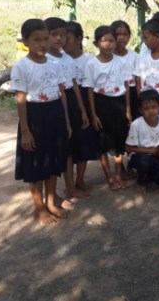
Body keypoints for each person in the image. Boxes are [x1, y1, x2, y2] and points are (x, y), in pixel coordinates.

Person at [11, 18, 71, 225]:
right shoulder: (21, 66)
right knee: (36, 164)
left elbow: (62, 94)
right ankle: (39, 209)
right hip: (35, 117)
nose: (43, 43)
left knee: (54, 162)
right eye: (37, 39)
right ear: (25, 41)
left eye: (45, 38)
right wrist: (25, 131)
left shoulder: (55, 64)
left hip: (55, 114)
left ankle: (51, 203)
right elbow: (21, 100)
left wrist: (66, 122)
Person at [44, 17, 89, 204]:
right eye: (54, 34)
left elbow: (74, 85)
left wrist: (82, 110)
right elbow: (59, 90)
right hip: (56, 103)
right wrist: (67, 120)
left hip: (72, 102)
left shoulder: (67, 58)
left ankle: (77, 184)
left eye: (63, 35)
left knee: (79, 143)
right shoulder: (46, 60)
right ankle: (69, 188)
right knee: (66, 149)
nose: (59, 39)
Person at [83, 25, 132, 191]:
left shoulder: (121, 62)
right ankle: (109, 177)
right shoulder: (91, 63)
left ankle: (118, 175)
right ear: (96, 43)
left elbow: (126, 86)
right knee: (102, 142)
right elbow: (89, 90)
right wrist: (93, 114)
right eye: (104, 41)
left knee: (118, 140)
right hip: (101, 104)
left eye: (111, 40)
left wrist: (128, 109)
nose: (108, 44)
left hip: (118, 103)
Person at [63, 20, 98, 195]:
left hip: (85, 100)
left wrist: (89, 111)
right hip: (67, 102)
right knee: (68, 146)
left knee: (84, 142)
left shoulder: (90, 60)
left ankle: (80, 180)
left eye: (67, 38)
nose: (63, 42)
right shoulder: (59, 60)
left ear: (78, 39)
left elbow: (91, 87)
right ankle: (69, 185)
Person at [125, 90, 159, 194]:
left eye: (154, 107)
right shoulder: (136, 124)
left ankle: (152, 174)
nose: (151, 111)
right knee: (144, 162)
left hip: (158, 154)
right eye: (146, 108)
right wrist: (151, 151)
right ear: (140, 110)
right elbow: (128, 148)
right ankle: (141, 181)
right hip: (141, 155)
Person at [112, 20, 140, 119]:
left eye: (125, 34)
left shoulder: (135, 56)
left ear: (129, 36)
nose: (121, 38)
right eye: (118, 34)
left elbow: (138, 79)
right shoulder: (109, 57)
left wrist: (139, 99)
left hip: (132, 93)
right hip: (114, 92)